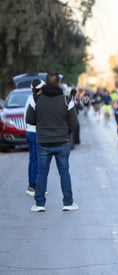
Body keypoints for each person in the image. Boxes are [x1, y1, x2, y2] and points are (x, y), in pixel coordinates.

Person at [25, 72, 79, 212]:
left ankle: (39, 204)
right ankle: (68, 203)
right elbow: (73, 123)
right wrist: (64, 133)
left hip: (43, 142)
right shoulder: (67, 100)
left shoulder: (35, 100)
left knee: (42, 173)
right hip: (62, 142)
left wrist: (43, 126)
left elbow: (29, 120)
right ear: (59, 84)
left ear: (45, 83)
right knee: (64, 172)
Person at [24, 79, 44, 197]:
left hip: (29, 132)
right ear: (40, 88)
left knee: (32, 159)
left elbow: (24, 115)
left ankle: (32, 185)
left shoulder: (29, 98)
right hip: (37, 133)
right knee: (38, 160)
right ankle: (34, 186)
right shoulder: (39, 100)